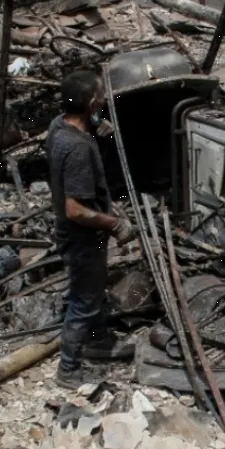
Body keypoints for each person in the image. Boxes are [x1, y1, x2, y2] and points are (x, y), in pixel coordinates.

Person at [45, 70, 137, 389]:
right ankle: (68, 369)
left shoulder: (58, 127)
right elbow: (75, 209)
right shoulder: (78, 150)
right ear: (88, 103)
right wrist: (115, 224)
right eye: (99, 96)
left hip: (71, 235)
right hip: (82, 238)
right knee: (83, 301)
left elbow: (78, 121)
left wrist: (97, 125)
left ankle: (98, 340)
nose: (104, 99)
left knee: (92, 290)